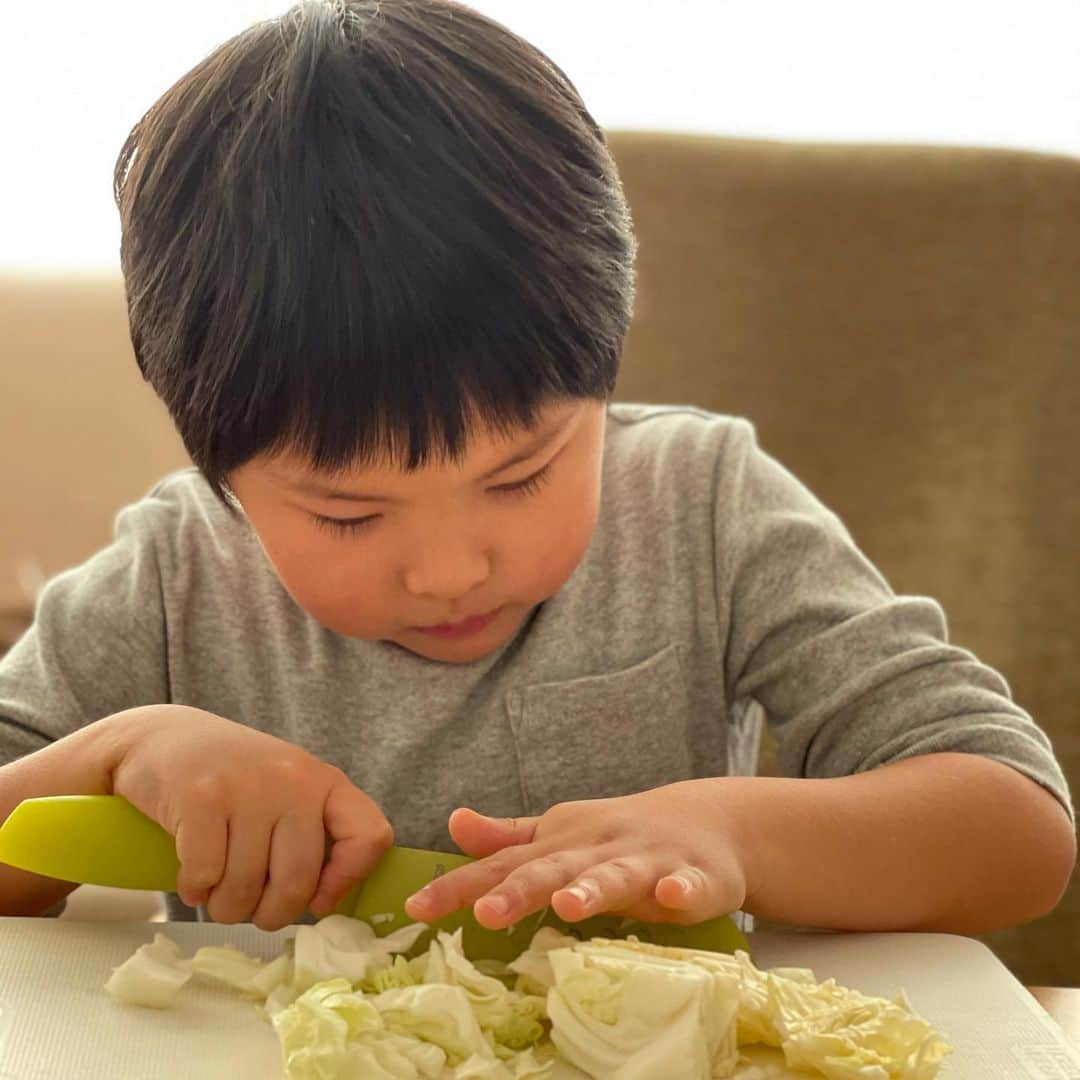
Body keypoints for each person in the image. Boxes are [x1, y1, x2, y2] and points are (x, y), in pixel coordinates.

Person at [0, 0, 1073, 938]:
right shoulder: (176, 577)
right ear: (225, 476)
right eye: (349, 515)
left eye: (519, 479)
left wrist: (733, 835)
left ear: (604, 380)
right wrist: (118, 755)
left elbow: (1019, 825)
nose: (451, 569)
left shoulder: (704, 508)